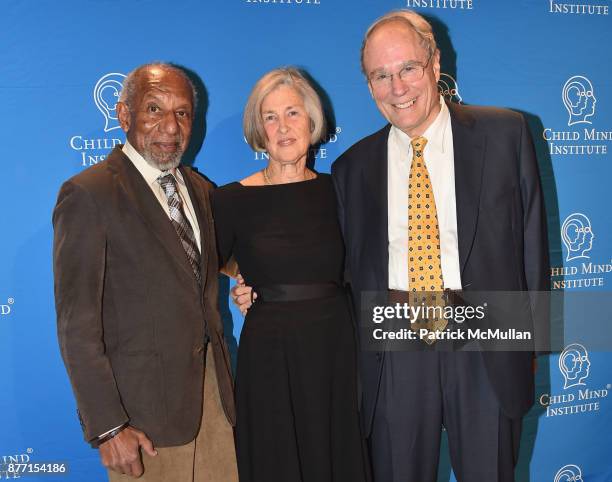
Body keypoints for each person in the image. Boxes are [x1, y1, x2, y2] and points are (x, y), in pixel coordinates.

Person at [235, 10, 549, 482]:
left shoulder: (506, 134)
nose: (397, 87)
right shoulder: (353, 169)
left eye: (407, 69)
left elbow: (532, 245)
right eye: (380, 75)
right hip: (393, 351)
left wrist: (531, 346)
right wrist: (264, 288)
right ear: (368, 85)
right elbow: (331, 265)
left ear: (435, 64)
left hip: (488, 343)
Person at [53, 63, 238, 482]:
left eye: (183, 113)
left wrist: (252, 280)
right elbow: (76, 326)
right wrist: (108, 428)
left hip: (217, 406)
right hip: (143, 423)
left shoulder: (199, 189)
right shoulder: (89, 194)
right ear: (124, 115)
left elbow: (220, 262)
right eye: (154, 109)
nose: (170, 126)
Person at [212, 67, 369, 482]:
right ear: (258, 130)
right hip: (270, 354)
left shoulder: (339, 191)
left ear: (312, 122)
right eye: (270, 117)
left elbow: (362, 267)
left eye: (293, 113)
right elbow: (208, 263)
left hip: (335, 347)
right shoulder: (230, 200)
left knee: (335, 455)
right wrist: (240, 281)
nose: (283, 127)